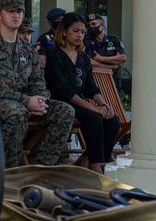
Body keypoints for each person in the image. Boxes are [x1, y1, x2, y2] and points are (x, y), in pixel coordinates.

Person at [0, 0, 75, 168]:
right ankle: (8, 172)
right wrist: (26, 101)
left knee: (65, 111)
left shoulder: (27, 49)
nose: (16, 15)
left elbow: (38, 79)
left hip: (25, 103)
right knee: (16, 112)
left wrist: (40, 100)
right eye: (10, 11)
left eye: (19, 11)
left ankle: (40, 168)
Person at [46, 12, 120, 175]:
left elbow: (91, 88)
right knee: (93, 117)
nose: (80, 35)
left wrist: (103, 105)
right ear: (64, 31)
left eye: (82, 31)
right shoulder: (54, 55)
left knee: (112, 119)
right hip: (61, 103)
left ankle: (97, 160)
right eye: (76, 31)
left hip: (80, 102)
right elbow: (63, 91)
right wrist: (94, 109)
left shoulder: (83, 57)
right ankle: (95, 166)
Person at [84, 13, 127, 88]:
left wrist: (101, 59)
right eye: (89, 25)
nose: (91, 27)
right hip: (94, 85)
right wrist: (112, 65)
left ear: (103, 25)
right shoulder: (87, 43)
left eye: (94, 24)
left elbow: (123, 58)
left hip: (112, 85)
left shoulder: (113, 41)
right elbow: (88, 62)